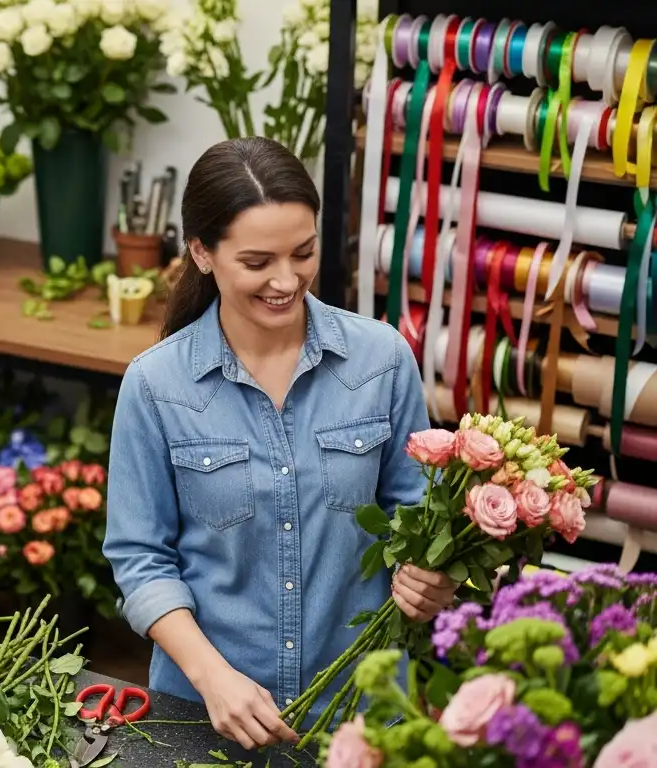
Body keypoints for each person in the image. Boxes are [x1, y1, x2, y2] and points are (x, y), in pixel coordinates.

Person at [102, 138, 458, 751]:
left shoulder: (381, 361)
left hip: (364, 711)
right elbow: (140, 560)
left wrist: (429, 573)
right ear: (201, 253)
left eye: (304, 253)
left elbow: (417, 517)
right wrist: (213, 679)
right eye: (258, 261)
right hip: (204, 716)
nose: (286, 280)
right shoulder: (156, 384)